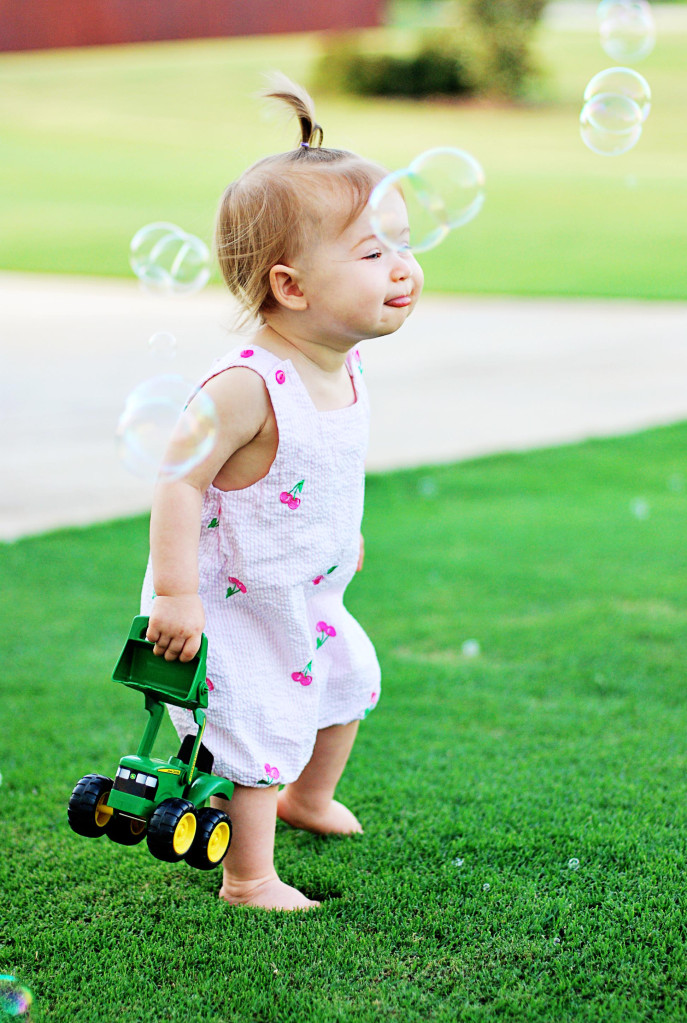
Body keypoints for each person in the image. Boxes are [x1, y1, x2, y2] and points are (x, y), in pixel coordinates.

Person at [141, 73, 424, 910]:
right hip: (229, 599)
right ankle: (248, 877)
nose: (402, 267)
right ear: (290, 286)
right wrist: (176, 592)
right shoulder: (242, 387)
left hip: (304, 583)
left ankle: (307, 796)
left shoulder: (345, 363)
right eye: (373, 253)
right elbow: (178, 480)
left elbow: (324, 467)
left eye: (405, 245)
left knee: (348, 678)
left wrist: (342, 534)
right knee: (256, 726)